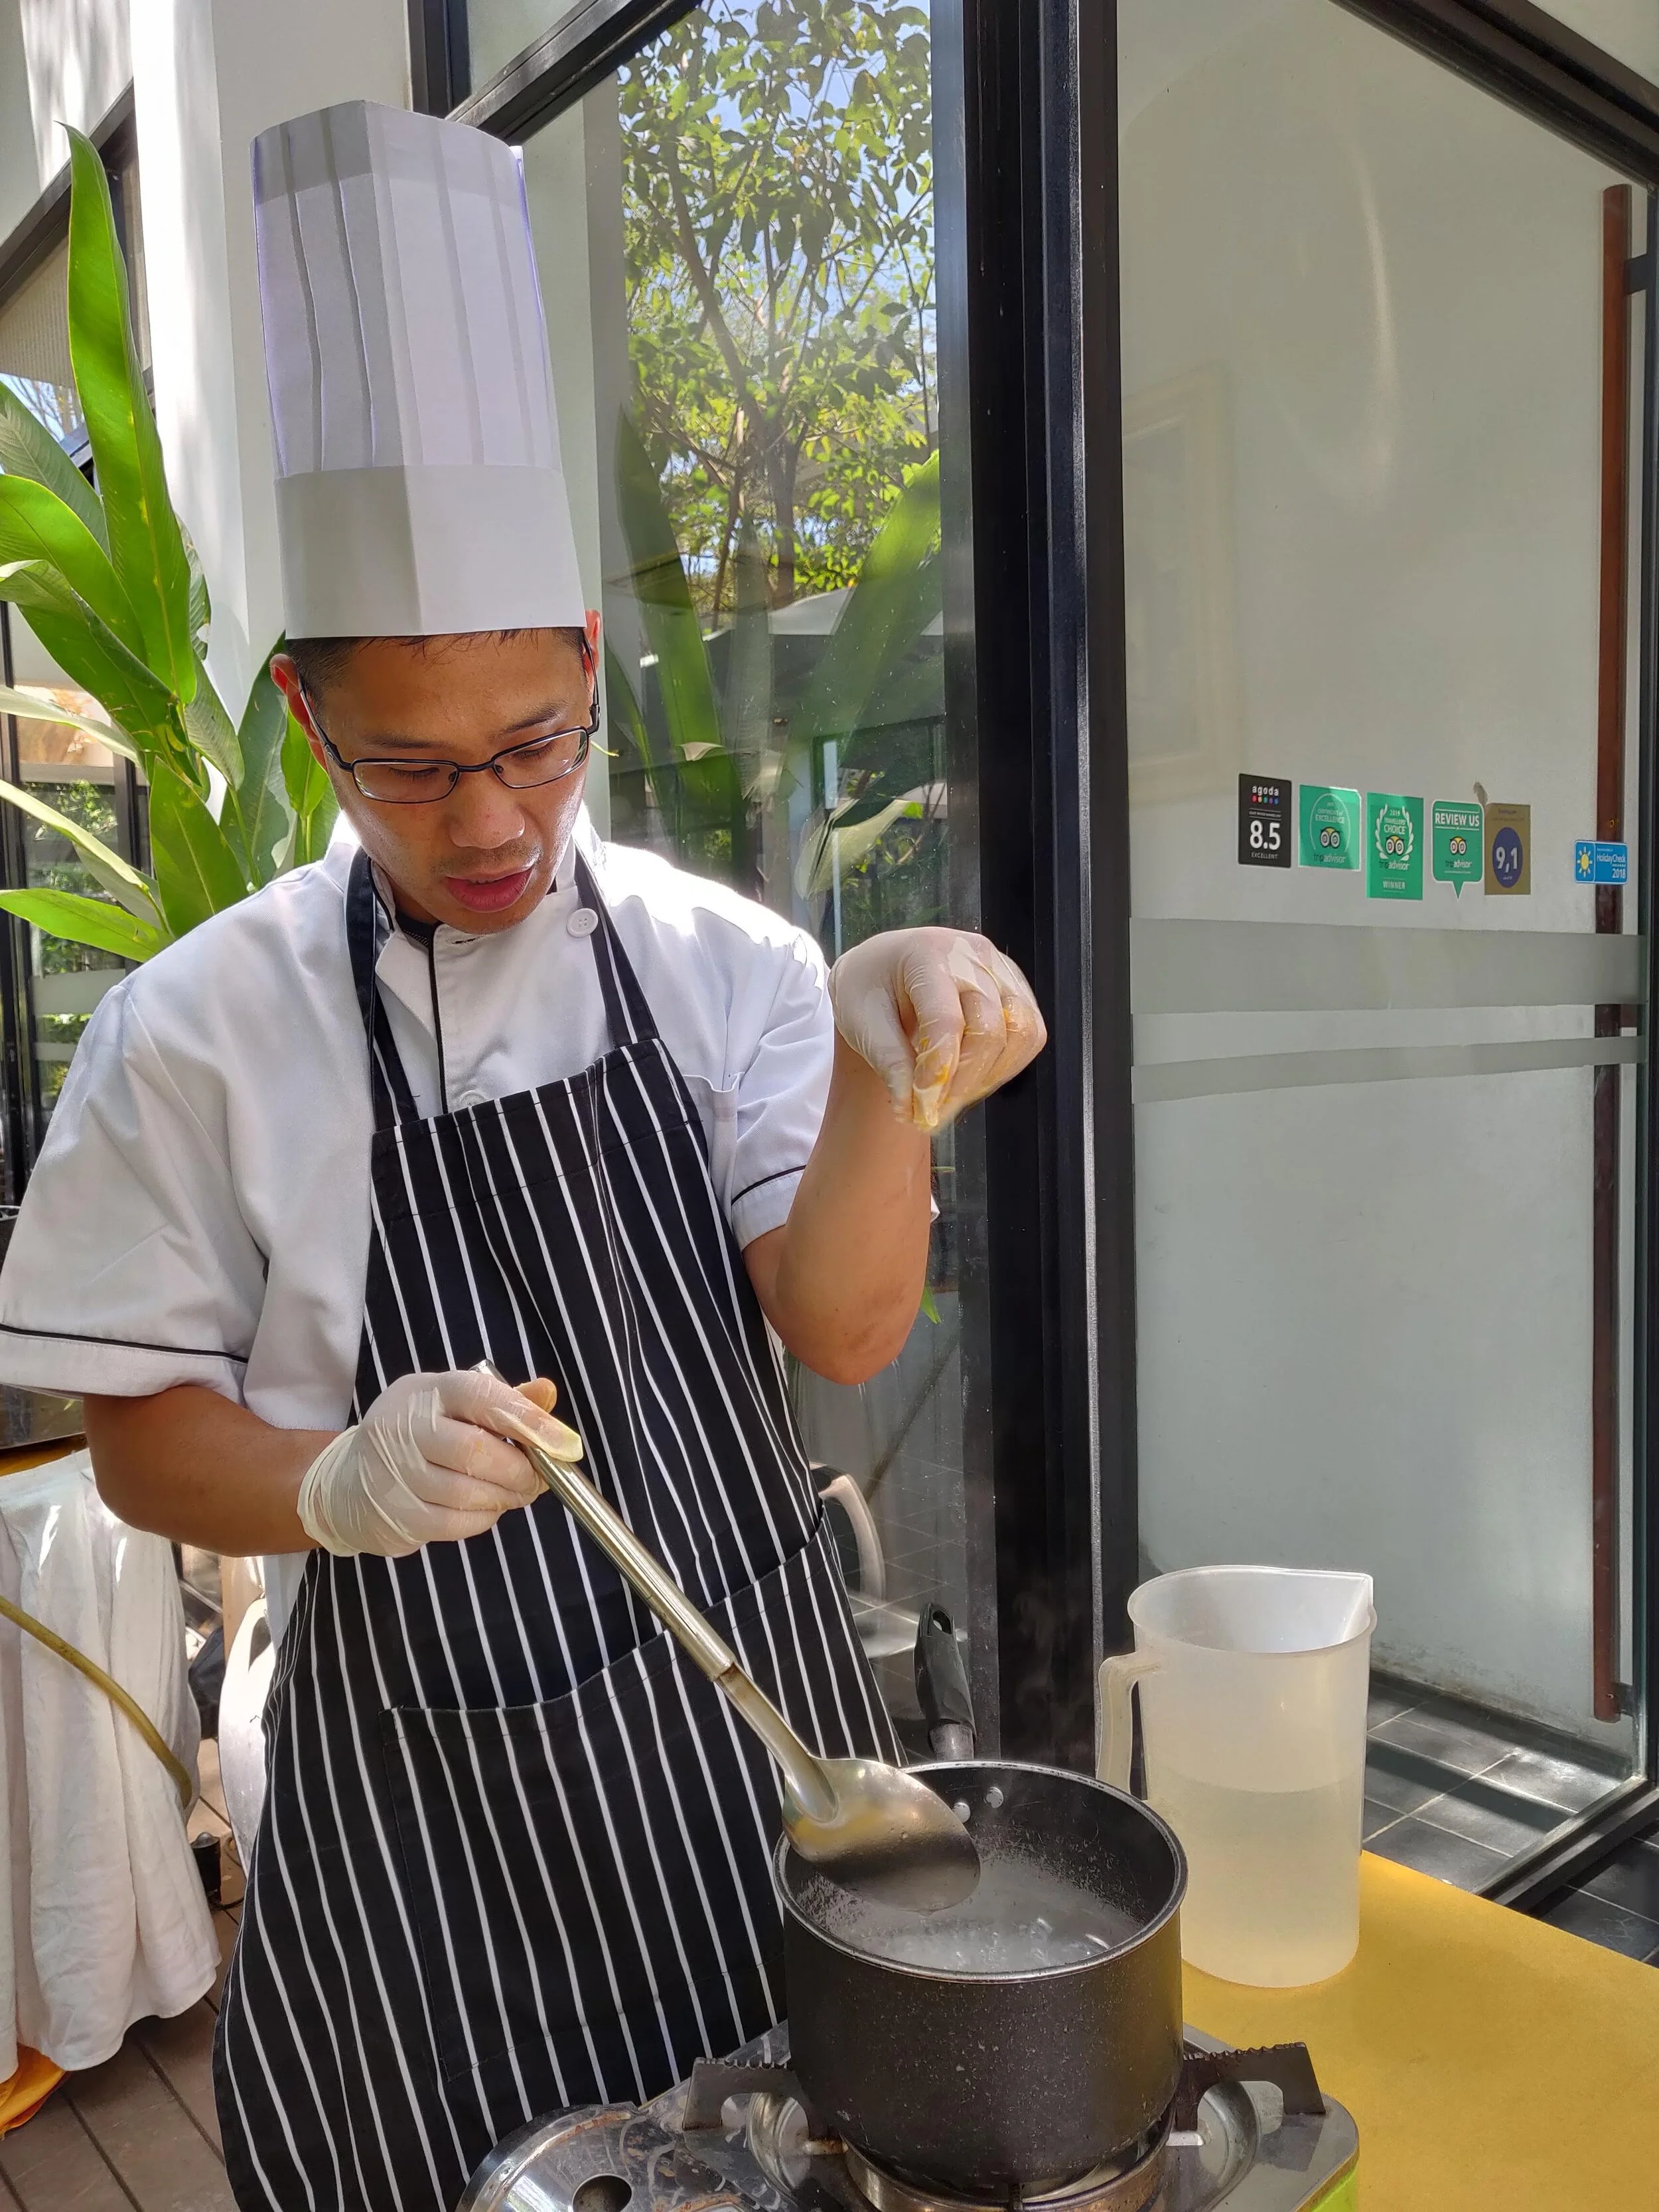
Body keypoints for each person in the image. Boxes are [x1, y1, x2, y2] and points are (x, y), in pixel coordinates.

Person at [0, 101, 1044, 2212]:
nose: (486, 821)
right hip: (420, 1827)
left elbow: (838, 1325)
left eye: (534, 747)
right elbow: (132, 1446)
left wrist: (872, 1049)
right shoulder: (192, 1031)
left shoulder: (716, 957)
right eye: (409, 766)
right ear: (305, 721)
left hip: (743, 1773)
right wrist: (326, 1476)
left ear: (588, 669)